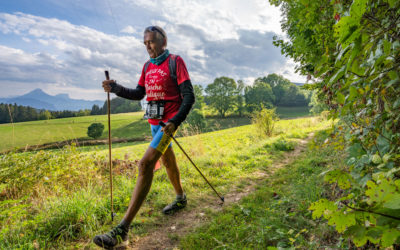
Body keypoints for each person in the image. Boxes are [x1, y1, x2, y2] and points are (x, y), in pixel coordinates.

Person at [93, 26, 195, 249]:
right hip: (153, 122)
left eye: (151, 41)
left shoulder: (175, 62)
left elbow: (189, 97)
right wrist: (116, 88)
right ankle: (180, 198)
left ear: (163, 41)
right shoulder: (147, 66)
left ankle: (122, 230)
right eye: (145, 42)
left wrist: (174, 122)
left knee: (145, 164)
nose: (147, 46)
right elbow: (139, 93)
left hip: (167, 124)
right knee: (167, 160)